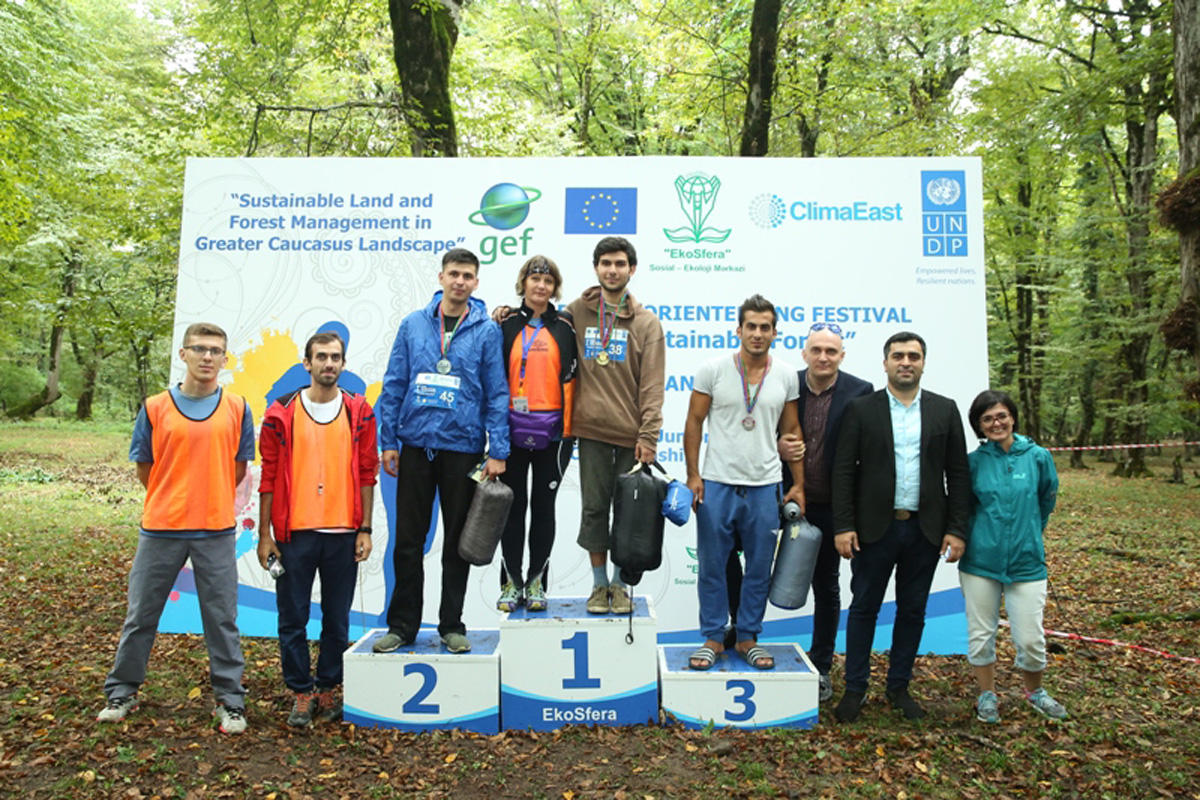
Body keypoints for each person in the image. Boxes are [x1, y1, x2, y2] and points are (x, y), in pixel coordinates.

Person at [97, 322, 254, 734]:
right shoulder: (154, 407)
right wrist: (172, 497)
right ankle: (121, 692)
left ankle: (231, 702)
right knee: (141, 615)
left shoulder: (237, 407)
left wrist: (208, 497)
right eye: (199, 349)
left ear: (224, 359)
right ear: (183, 354)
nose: (207, 357)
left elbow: (238, 468)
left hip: (215, 528)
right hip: (161, 528)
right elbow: (145, 467)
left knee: (222, 619)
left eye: (216, 350)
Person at [373, 248, 509, 655]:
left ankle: (452, 624)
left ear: (477, 282)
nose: (460, 282)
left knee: (458, 543)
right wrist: (388, 440)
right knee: (408, 541)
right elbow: (394, 382)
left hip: (463, 449)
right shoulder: (413, 325)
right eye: (454, 274)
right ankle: (402, 626)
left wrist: (497, 449)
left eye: (468, 275)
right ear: (441, 277)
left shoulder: (486, 331)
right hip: (416, 445)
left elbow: (497, 394)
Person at [831, 331, 970, 722]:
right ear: (885, 362)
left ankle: (899, 687)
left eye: (913, 356)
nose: (905, 362)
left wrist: (957, 530)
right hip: (874, 530)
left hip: (925, 532)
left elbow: (958, 475)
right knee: (863, 610)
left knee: (912, 611)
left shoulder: (945, 410)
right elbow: (843, 472)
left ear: (923, 362)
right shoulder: (861, 410)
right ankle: (855, 688)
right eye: (898, 356)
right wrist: (843, 526)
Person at [257, 331, 379, 727]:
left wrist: (365, 528)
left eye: (336, 357)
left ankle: (327, 689)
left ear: (343, 364)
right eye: (321, 357)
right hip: (296, 534)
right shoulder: (281, 413)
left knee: (336, 618)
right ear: (306, 363)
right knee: (292, 617)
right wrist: (264, 535)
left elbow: (367, 473)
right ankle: (300, 692)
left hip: (344, 532)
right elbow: (269, 477)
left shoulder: (359, 412)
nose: (329, 364)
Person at [684, 295, 805, 670]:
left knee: (758, 568)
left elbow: (792, 431)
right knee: (712, 565)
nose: (757, 333)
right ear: (738, 330)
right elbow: (693, 422)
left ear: (774, 332)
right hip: (718, 482)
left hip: (764, 484)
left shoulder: (785, 375)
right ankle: (713, 638)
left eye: (764, 327)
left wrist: (797, 484)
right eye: (750, 326)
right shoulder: (714, 369)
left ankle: (748, 636)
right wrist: (693, 475)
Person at [565, 237, 665, 614]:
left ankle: (622, 587)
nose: (612, 270)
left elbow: (653, 385)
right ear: (596, 268)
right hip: (589, 432)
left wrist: (648, 435)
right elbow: (539, 324)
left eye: (620, 264)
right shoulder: (575, 312)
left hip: (631, 436)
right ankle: (598, 585)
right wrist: (508, 313)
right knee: (594, 508)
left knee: (630, 516)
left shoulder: (647, 323)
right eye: (605, 263)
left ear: (632, 270)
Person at [774, 322, 873, 701]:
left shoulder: (859, 392)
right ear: (804, 354)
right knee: (751, 573)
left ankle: (822, 664)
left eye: (831, 351)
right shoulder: (785, 384)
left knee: (826, 586)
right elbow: (760, 430)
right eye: (816, 350)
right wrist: (777, 446)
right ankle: (741, 641)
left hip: (831, 506)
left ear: (842, 356)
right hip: (779, 498)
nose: (823, 357)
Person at [961, 390, 1065, 723]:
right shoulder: (974, 462)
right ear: (979, 425)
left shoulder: (1037, 457)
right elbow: (965, 507)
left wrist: (1031, 531)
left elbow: (1046, 498)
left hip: (1027, 561)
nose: (996, 423)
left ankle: (1035, 692)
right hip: (981, 562)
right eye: (987, 418)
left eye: (1001, 415)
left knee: (1031, 637)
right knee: (981, 634)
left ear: (1013, 417)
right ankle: (986, 695)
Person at [496, 255, 578, 613]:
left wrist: (568, 429)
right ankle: (511, 583)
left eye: (548, 281)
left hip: (555, 436)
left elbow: (577, 378)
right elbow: (493, 379)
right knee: (511, 508)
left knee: (544, 509)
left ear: (554, 287)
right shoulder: (505, 323)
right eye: (535, 280)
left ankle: (537, 584)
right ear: (524, 284)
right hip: (511, 431)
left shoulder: (566, 326)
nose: (541, 286)